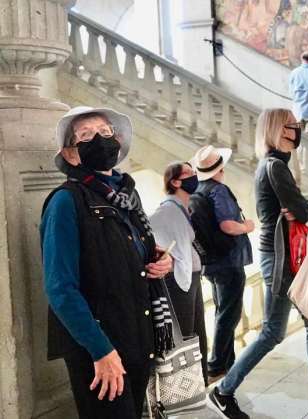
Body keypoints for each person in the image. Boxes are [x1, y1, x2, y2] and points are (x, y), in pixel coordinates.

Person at [41, 106, 173, 418]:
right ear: (72, 154)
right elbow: (60, 288)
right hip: (99, 346)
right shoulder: (65, 201)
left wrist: (159, 261)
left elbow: (137, 247)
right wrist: (101, 351)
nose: (99, 139)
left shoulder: (127, 193)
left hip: (137, 332)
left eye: (105, 131)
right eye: (86, 136)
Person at [207, 109, 308, 419]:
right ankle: (223, 391)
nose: (298, 130)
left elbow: (298, 208)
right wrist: (303, 205)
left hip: (282, 255)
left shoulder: (272, 165)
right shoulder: (275, 166)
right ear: (280, 130)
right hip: (280, 258)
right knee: (272, 332)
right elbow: (304, 211)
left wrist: (300, 205)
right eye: (293, 126)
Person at [192, 145, 254, 384]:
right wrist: (247, 226)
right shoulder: (218, 191)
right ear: (220, 169)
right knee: (229, 314)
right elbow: (228, 225)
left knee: (222, 311)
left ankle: (226, 361)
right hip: (228, 262)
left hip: (211, 262)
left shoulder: (199, 190)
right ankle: (217, 364)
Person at [149, 162, 209, 386]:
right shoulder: (166, 211)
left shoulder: (182, 209)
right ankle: (186, 389)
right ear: (175, 182)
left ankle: (199, 385)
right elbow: (153, 232)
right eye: (189, 173)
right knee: (185, 338)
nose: (194, 175)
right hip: (178, 283)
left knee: (197, 335)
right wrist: (168, 259)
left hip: (190, 280)